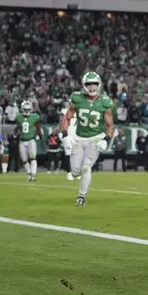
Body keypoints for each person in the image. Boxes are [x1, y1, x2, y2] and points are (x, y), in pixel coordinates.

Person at [60, 72, 114, 207]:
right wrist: (65, 135)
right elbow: (66, 118)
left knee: (86, 168)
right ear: (84, 85)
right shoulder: (77, 98)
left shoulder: (104, 102)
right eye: (89, 84)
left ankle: (81, 196)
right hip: (79, 138)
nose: (91, 87)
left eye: (94, 84)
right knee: (75, 171)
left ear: (99, 85)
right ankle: (78, 182)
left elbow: (110, 125)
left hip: (95, 138)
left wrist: (106, 139)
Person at [16, 101, 43, 181]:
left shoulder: (35, 117)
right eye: (25, 109)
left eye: (28, 109)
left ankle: (33, 175)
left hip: (31, 140)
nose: (27, 111)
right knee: (24, 160)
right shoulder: (18, 117)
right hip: (22, 140)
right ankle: (29, 172)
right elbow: (18, 127)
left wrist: (41, 137)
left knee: (33, 158)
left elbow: (38, 128)